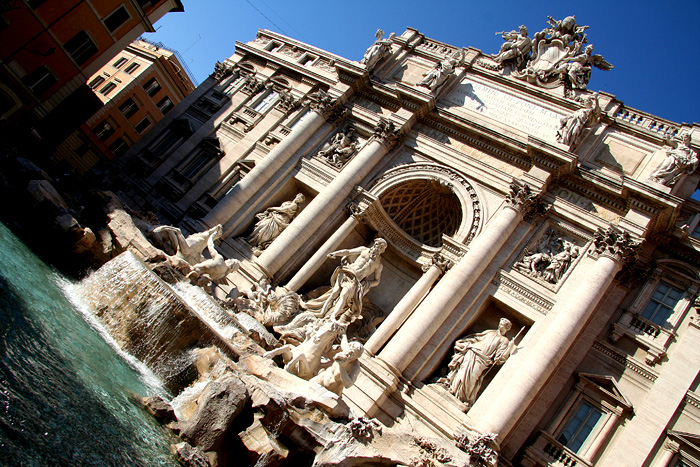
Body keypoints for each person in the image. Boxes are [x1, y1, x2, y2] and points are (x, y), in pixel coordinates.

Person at [442, 318, 517, 408]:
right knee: (462, 371)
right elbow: (478, 338)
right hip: (472, 352)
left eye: (502, 325)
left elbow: (500, 358)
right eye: (500, 324)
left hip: (483, 360)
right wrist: (467, 343)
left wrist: (509, 347)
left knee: (472, 378)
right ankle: (452, 389)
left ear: (507, 328)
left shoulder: (504, 341)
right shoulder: (490, 332)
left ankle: (462, 397)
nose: (499, 326)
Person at [316, 238, 387, 324]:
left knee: (344, 295)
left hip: (355, 281)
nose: (377, 248)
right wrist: (336, 253)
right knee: (334, 293)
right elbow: (348, 252)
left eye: (380, 247)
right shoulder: (363, 250)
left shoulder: (378, 265)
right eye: (377, 245)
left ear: (382, 250)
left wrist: (367, 283)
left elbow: (377, 281)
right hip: (347, 272)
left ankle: (333, 316)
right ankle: (322, 312)